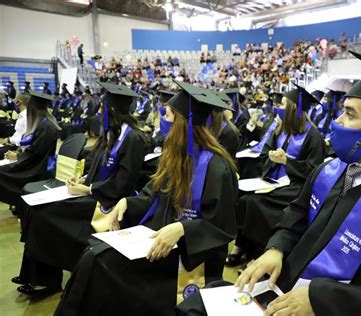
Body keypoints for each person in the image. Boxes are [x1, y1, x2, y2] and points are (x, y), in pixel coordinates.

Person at [177, 51, 361, 316]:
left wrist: (323, 300)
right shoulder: (330, 171)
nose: (337, 122)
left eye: (349, 114)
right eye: (341, 111)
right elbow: (297, 215)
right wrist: (276, 248)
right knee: (195, 307)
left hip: (329, 309)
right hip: (281, 291)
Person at [54, 81, 239, 315]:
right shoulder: (174, 156)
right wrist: (126, 202)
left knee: (99, 263)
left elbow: (223, 228)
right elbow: (153, 196)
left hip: (187, 256)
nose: (163, 119)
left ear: (184, 123)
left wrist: (183, 229)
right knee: (93, 252)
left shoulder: (217, 167)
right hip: (156, 240)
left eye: (168, 115)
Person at [13, 82, 146, 298]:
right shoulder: (110, 133)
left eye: (103, 108)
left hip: (107, 203)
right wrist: (81, 178)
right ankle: (38, 275)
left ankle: (47, 280)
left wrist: (87, 189)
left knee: (44, 214)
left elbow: (124, 183)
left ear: (112, 110)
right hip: (93, 193)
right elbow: (95, 163)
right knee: (35, 208)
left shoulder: (133, 138)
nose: (99, 112)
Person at [226, 83, 326, 265]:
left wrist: (287, 161)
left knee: (257, 204)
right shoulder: (281, 131)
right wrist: (271, 157)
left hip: (295, 187)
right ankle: (242, 246)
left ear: (293, 108)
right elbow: (265, 153)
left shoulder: (314, 137)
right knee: (244, 198)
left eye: (282, 105)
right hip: (272, 180)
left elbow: (314, 171)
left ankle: (259, 253)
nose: (278, 107)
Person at [0, 92, 60, 208]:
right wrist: (18, 154)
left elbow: (36, 154)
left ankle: (21, 203)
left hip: (36, 168)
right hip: (33, 162)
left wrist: (17, 157)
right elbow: (33, 148)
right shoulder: (41, 122)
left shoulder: (46, 126)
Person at [0, 92, 29, 157]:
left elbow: (25, 139)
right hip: (13, 144)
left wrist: (9, 140)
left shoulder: (26, 117)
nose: (13, 103)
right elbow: (18, 134)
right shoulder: (22, 115)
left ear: (18, 102)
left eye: (15, 101)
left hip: (18, 148)